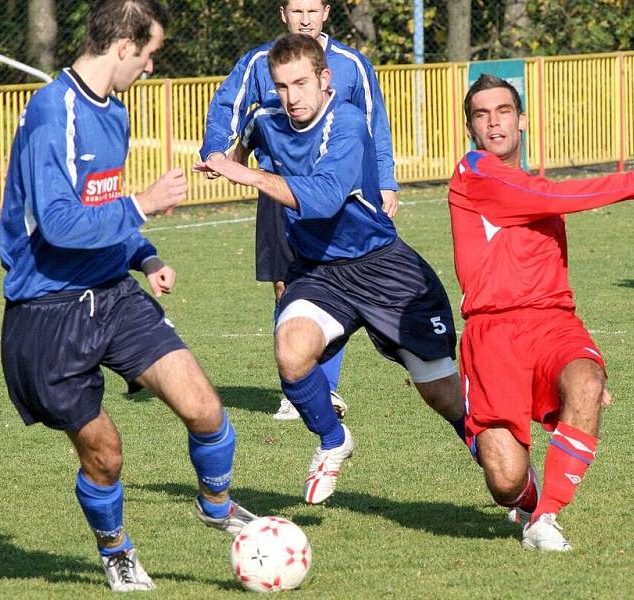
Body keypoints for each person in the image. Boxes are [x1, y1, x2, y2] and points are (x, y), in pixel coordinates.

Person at [0, 0, 255, 591]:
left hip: (112, 294)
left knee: (205, 408)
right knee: (106, 455)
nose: (150, 67)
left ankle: (216, 505)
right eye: (149, 54)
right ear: (122, 47)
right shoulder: (51, 113)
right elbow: (60, 224)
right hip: (48, 311)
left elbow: (99, 204)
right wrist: (143, 203)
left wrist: (144, 254)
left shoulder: (114, 114)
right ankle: (115, 548)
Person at [196, 34, 465, 506]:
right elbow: (241, 133)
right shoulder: (267, 120)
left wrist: (249, 175)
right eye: (280, 86)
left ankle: (519, 491)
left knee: (445, 398)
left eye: (300, 83)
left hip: (383, 270)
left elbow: (321, 199)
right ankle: (333, 440)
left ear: (324, 80)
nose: (291, 96)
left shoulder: (346, 123)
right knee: (291, 352)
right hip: (320, 272)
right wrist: (224, 156)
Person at [448, 73, 634, 551]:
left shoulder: (526, 181)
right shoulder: (475, 174)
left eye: (503, 111)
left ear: (521, 120)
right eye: (482, 115)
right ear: (471, 128)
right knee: (505, 480)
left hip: (553, 321)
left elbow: (542, 202)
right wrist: (632, 181)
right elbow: (551, 197)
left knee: (587, 382)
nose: (494, 122)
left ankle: (545, 518)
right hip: (494, 333)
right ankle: (526, 501)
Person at [201, 0, 400, 421]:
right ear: (283, 14)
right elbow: (227, 107)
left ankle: (323, 389)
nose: (305, 19)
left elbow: (373, 124)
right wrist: (217, 153)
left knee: (335, 281)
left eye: (312, 10)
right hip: (279, 188)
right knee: (285, 285)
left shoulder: (351, 64)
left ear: (326, 13)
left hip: (340, 194)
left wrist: (385, 181)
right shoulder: (258, 62)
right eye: (297, 11)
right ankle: (298, 389)